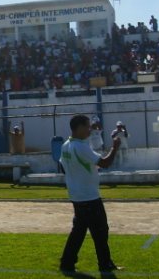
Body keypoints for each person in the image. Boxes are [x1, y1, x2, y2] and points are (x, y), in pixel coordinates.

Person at [59, 114, 123, 274]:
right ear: (79, 127)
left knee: (78, 232)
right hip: (89, 196)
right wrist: (115, 147)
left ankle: (67, 263)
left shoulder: (66, 145)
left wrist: (81, 173)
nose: (90, 130)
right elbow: (105, 163)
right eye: (87, 126)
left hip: (76, 195)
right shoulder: (81, 146)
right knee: (100, 231)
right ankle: (105, 264)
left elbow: (64, 166)